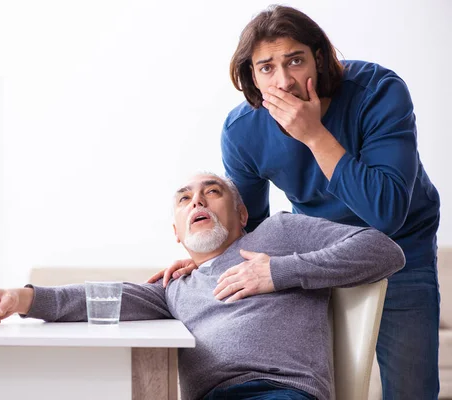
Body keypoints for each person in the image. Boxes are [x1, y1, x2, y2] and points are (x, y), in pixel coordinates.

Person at [149, 6, 441, 399]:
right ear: (251, 75)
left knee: (412, 388)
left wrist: (314, 135)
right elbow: (248, 226)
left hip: (404, 246)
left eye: (295, 61)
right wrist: (209, 258)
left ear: (319, 59)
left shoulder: (378, 91)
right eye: (267, 68)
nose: (283, 81)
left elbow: (387, 213)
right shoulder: (243, 131)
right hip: (318, 250)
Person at [0, 173, 404, 400]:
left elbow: (383, 251)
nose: (196, 200)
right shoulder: (175, 286)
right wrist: (23, 298)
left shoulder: (279, 234)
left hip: (279, 393)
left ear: (240, 215)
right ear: (177, 233)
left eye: (211, 192)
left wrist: (279, 272)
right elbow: (101, 296)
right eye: (185, 198)